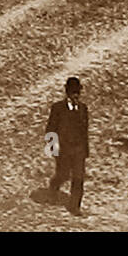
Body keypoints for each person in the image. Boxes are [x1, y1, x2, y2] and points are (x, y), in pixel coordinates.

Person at [45, 77, 89, 214]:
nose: (76, 95)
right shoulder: (58, 108)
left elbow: (84, 131)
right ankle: (54, 187)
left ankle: (75, 206)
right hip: (63, 149)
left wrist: (85, 149)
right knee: (63, 174)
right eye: (73, 92)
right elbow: (50, 129)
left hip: (78, 150)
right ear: (67, 92)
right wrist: (53, 148)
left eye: (77, 92)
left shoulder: (83, 109)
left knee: (78, 178)